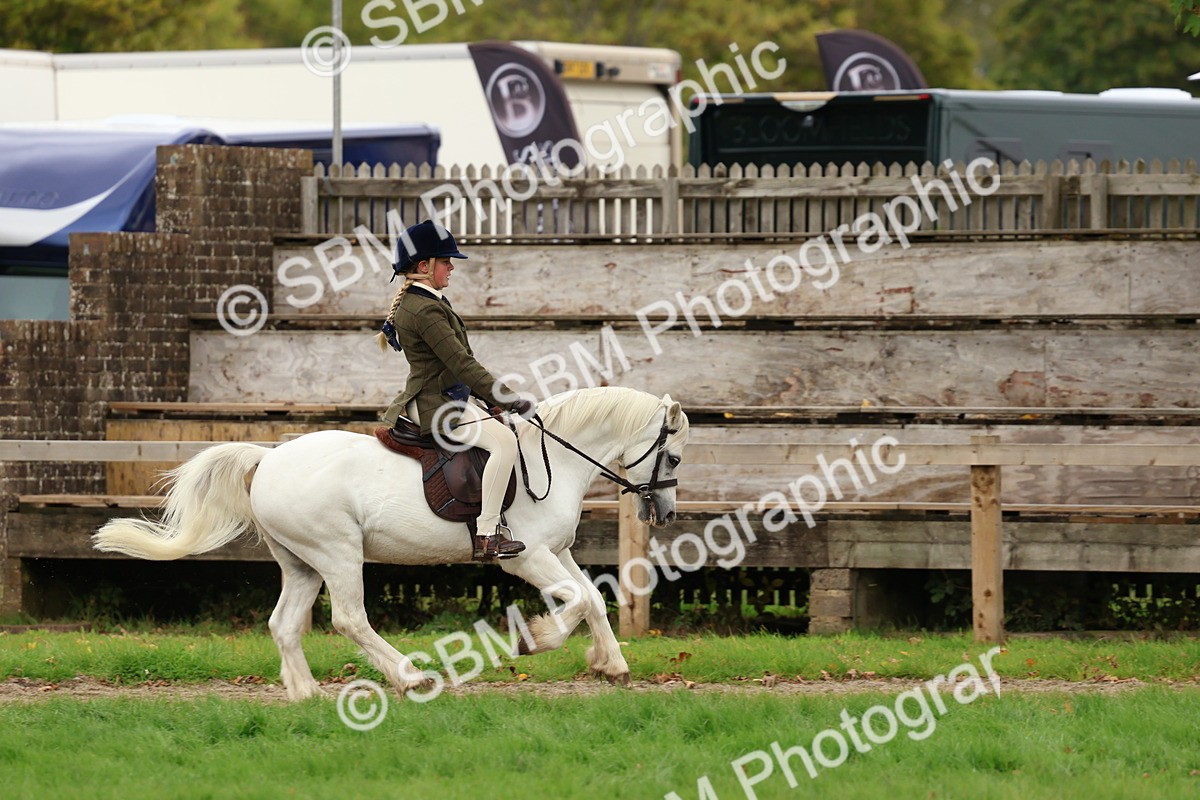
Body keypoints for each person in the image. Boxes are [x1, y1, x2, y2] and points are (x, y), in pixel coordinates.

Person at [376, 220, 532, 561]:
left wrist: (488, 399)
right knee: (504, 443)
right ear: (423, 266)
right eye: (446, 261)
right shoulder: (425, 309)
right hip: (436, 403)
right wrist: (507, 397)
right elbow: (462, 364)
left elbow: (457, 366)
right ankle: (487, 534)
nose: (451, 268)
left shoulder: (428, 301)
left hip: (446, 396)